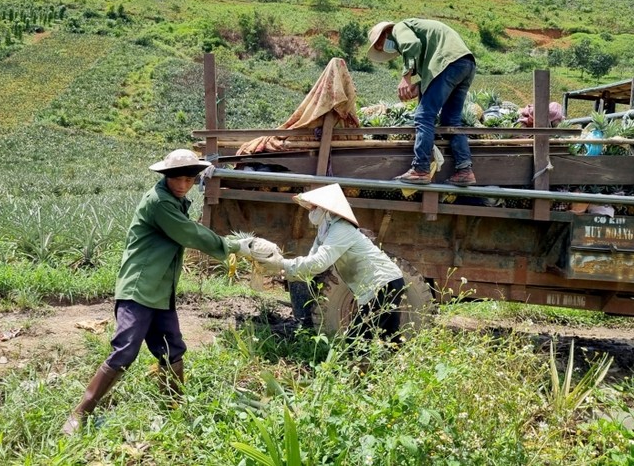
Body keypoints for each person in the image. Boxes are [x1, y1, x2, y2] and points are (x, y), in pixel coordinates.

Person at [62, 149, 251, 436]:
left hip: (161, 290)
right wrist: (235, 246)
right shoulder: (160, 202)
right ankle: (80, 413)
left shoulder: (176, 201)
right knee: (125, 350)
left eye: (189, 180)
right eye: (178, 178)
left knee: (172, 347)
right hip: (139, 287)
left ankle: (173, 407)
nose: (183, 185)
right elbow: (189, 234)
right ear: (166, 176)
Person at [253, 183, 405, 346]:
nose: (310, 211)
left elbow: (318, 263)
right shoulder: (325, 231)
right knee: (390, 341)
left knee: (355, 343)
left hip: (383, 284)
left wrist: (282, 264)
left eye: (313, 208)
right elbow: (312, 262)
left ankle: (356, 368)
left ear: (326, 208)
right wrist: (285, 270)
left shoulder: (341, 228)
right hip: (380, 285)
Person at [367, 18, 477, 186]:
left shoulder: (399, 28)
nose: (382, 48)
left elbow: (412, 45)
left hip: (448, 63)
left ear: (385, 34)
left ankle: (420, 169)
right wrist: (418, 87)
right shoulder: (421, 33)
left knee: (423, 117)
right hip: (465, 64)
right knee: (451, 121)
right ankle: (465, 170)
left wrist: (405, 78)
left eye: (379, 44)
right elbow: (434, 73)